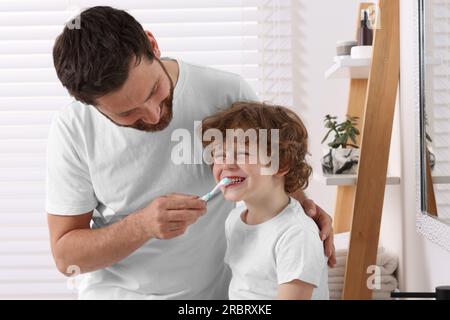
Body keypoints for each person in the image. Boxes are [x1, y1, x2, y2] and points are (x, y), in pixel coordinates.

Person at [47, 6, 336, 299]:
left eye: (153, 91)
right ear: (91, 105)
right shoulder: (73, 130)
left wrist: (302, 211)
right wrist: (141, 226)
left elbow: (271, 164)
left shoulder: (227, 93)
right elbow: (65, 257)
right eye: (127, 113)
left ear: (153, 44)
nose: (152, 115)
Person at [201, 102, 329, 300]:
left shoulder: (296, 235)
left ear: (281, 164)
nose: (226, 163)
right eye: (220, 154)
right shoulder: (234, 220)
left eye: (243, 153)